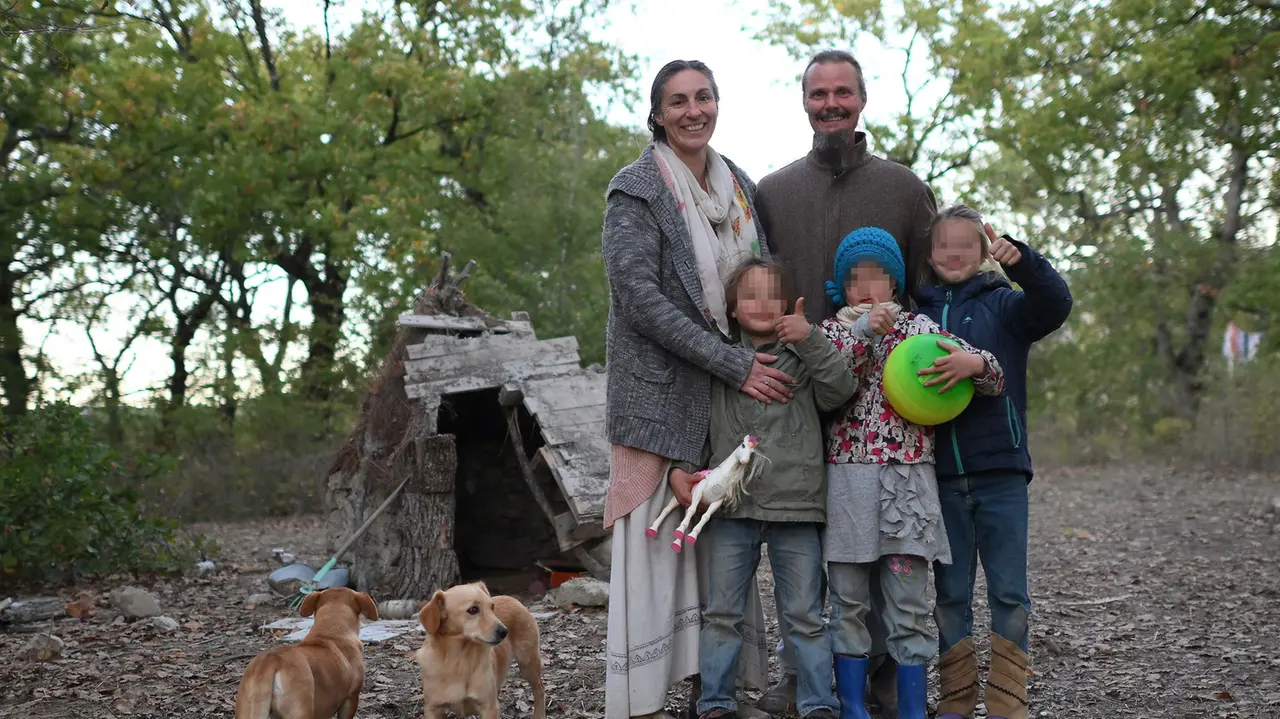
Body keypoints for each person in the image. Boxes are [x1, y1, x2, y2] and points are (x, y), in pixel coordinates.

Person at [600, 59, 796, 719]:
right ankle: (647, 699)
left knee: (723, 543)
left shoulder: (737, 185)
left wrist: (760, 361)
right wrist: (730, 361)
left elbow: (757, 287)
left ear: (718, 102)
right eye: (678, 101)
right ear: (657, 113)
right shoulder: (635, 188)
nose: (693, 111)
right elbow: (639, 301)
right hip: (657, 394)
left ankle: (718, 692)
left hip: (725, 394)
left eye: (703, 97)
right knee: (660, 548)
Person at [753, 49, 939, 717]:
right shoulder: (772, 191)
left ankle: (884, 681)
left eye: (842, 93)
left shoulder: (904, 188)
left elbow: (929, 291)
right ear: (804, 101)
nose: (830, 103)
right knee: (806, 544)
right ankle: (803, 674)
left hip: (885, 407)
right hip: (795, 394)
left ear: (862, 100)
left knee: (886, 546)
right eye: (818, 93)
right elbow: (753, 288)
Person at [817, 227, 1004, 719]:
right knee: (849, 601)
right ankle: (854, 707)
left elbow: (993, 376)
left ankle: (912, 710)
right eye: (855, 278)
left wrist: (974, 363)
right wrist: (863, 334)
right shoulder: (830, 333)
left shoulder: (920, 330)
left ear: (895, 284)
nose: (866, 287)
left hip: (907, 486)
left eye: (878, 276)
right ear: (843, 286)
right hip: (848, 486)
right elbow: (825, 387)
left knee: (908, 603)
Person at [913, 205, 1073, 719]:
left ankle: (1008, 701)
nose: (954, 253)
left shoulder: (1006, 305)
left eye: (967, 244)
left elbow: (1056, 303)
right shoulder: (915, 314)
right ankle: (956, 699)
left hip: (1001, 472)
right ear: (929, 255)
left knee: (1008, 591)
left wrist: (1022, 261)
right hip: (937, 475)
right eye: (943, 245)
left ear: (984, 252)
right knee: (950, 594)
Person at [682, 259, 855, 719]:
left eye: (770, 295)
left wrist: (811, 338)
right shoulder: (718, 360)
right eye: (749, 296)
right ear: (733, 309)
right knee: (722, 613)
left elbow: (840, 392)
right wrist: (684, 467)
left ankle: (818, 702)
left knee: (803, 615)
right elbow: (698, 422)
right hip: (732, 506)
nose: (760, 304)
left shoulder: (802, 355)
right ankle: (716, 702)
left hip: (796, 506)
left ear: (785, 304)